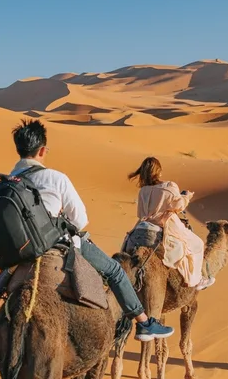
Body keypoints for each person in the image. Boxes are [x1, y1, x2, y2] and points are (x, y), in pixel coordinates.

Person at [9, 119, 174, 342]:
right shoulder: (55, 178)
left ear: (19, 149)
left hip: (18, 251)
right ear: (42, 150)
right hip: (58, 244)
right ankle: (144, 323)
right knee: (115, 271)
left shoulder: (8, 181)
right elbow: (80, 220)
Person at [128, 157, 212, 290]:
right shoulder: (169, 187)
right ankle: (196, 280)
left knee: (126, 245)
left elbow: (141, 214)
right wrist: (186, 196)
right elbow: (179, 206)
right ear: (158, 172)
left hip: (143, 225)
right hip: (165, 226)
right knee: (198, 244)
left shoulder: (143, 191)